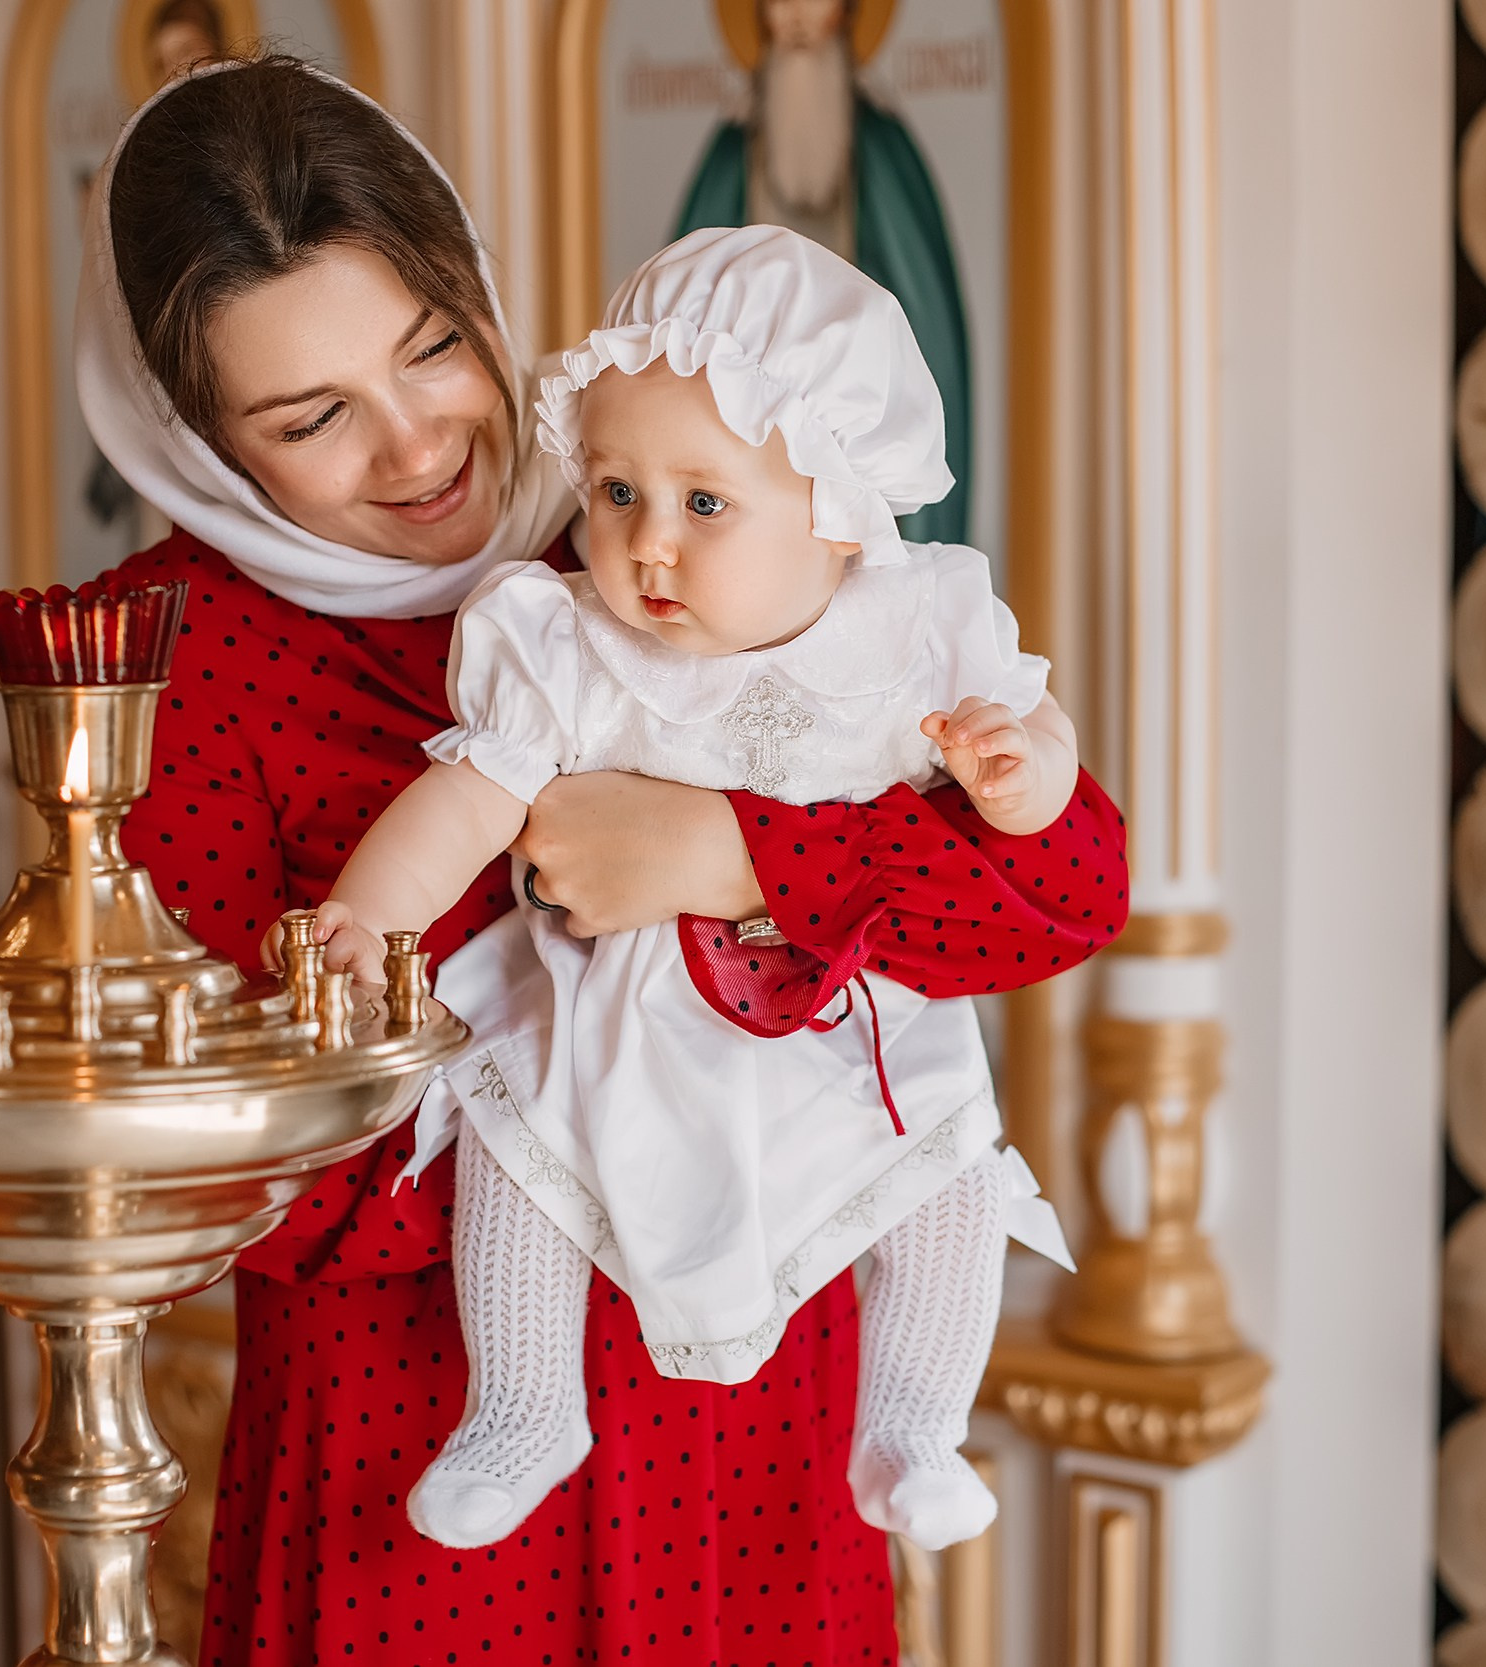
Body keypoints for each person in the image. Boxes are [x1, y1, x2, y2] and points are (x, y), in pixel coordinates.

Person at [77, 57, 1128, 1664]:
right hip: (416, 1455)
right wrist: (568, 1089)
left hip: (755, 1443)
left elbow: (1056, 891)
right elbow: (238, 1180)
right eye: (310, 419)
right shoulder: (174, 661)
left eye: (434, 348)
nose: (419, 446)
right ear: (198, 440)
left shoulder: (679, 505)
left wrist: (725, 853)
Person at [288, 224, 1087, 1557]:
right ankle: (526, 1404)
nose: (646, 546)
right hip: (625, 1020)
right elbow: (465, 798)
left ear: (838, 511)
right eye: (612, 491)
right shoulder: (570, 644)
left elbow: (1046, 771)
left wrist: (1021, 774)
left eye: (704, 504)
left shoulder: (910, 631)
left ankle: (913, 1418)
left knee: (947, 1161)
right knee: (508, 1125)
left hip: (840, 1017)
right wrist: (369, 921)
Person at [675, 0, 971, 546]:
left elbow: (924, 313)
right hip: (743, 433)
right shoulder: (730, 154)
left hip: (860, 425)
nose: (798, 17)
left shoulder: (885, 150)